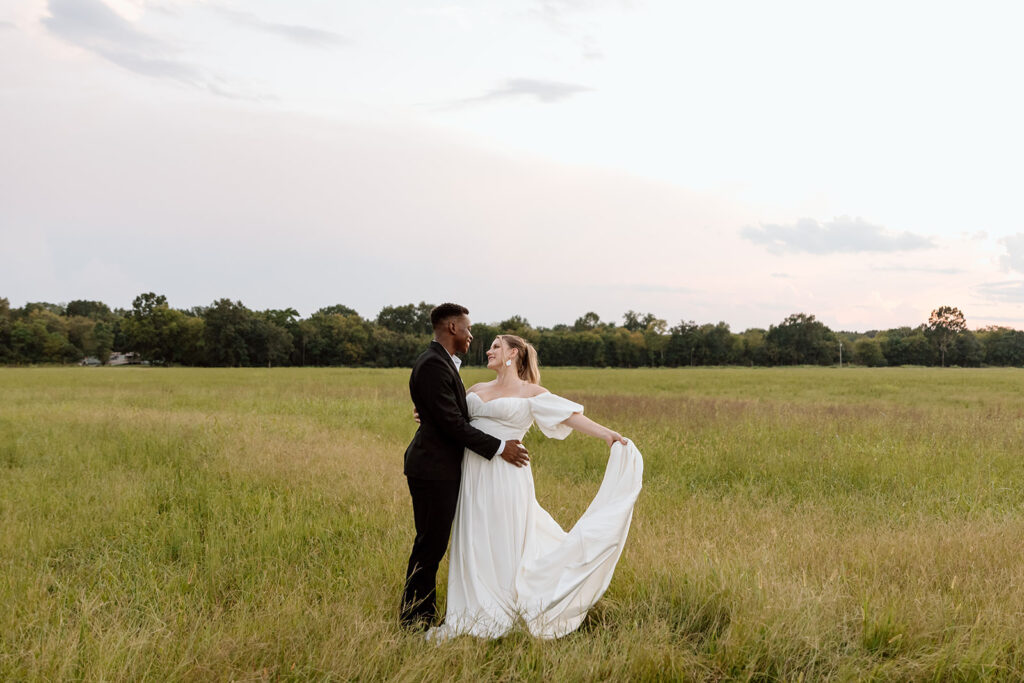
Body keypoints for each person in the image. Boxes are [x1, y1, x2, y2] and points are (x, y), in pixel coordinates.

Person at [424, 333, 644, 640]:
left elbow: (570, 416)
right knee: (474, 538)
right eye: (490, 347)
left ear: (513, 353)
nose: (489, 351)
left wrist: (607, 434)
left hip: (508, 476)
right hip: (473, 476)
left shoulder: (531, 392)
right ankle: (472, 606)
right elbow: (452, 420)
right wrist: (427, 414)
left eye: (496, 346)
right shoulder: (474, 389)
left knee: (505, 539)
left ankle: (509, 605)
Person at [400, 303, 531, 630]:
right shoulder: (433, 364)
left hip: (438, 467)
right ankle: (415, 620)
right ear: (453, 328)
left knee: (431, 544)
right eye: (468, 328)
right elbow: (453, 424)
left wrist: (428, 414)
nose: (472, 335)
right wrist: (500, 447)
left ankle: (422, 614)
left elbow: (447, 413)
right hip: (432, 470)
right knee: (429, 546)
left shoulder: (442, 363)